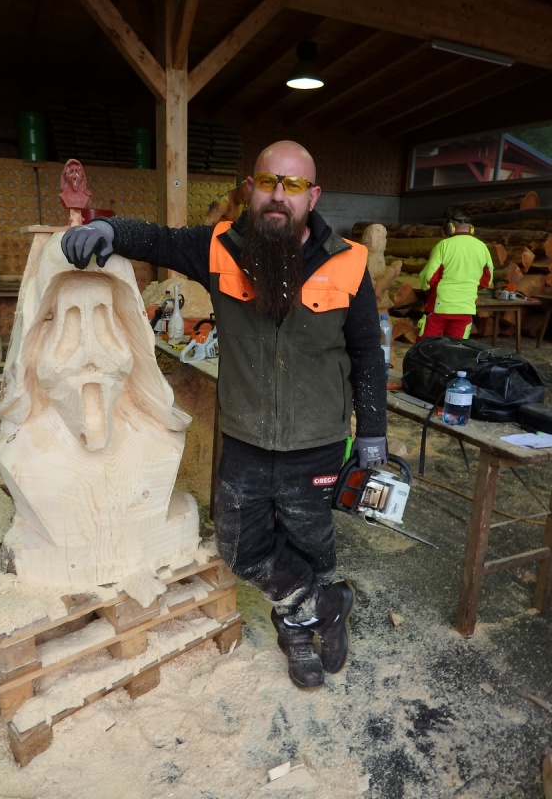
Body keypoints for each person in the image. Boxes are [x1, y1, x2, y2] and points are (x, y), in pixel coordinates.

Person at [61, 140, 388, 690]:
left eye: (292, 185)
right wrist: (109, 229)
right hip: (244, 439)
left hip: (317, 443)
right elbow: (160, 240)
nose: (279, 195)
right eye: (268, 182)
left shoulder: (348, 261)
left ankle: (296, 634)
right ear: (250, 189)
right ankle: (327, 605)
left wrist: (373, 432)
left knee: (311, 544)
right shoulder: (220, 248)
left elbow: (366, 354)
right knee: (240, 548)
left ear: (312, 196)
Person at [417, 212, 493, 340]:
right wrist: (469, 291)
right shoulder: (482, 247)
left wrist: (430, 293)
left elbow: (428, 277)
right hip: (466, 308)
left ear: (450, 227)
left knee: (426, 347)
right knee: (456, 348)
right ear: (471, 229)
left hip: (439, 307)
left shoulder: (443, 245)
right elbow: (487, 280)